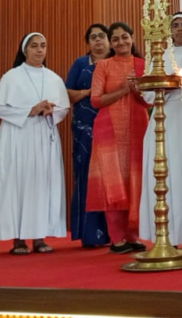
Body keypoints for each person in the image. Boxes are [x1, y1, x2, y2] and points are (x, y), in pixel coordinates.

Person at [0, 33, 70, 255]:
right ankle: (18, 240)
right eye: (34, 46)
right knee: (18, 183)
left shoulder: (53, 78)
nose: (39, 50)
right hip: (18, 137)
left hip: (44, 135)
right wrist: (30, 110)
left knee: (41, 184)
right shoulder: (11, 77)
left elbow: (64, 107)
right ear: (24, 50)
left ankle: (39, 238)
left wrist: (51, 111)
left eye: (43, 45)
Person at [138, 12, 182, 246]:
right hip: (164, 118)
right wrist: (165, 87)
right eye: (175, 25)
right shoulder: (161, 56)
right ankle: (168, 235)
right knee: (167, 173)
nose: (180, 29)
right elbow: (147, 95)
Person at [88, 22, 151, 254]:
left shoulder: (143, 65)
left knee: (136, 180)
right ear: (110, 43)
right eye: (115, 39)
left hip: (138, 128)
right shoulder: (103, 66)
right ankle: (117, 239)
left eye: (125, 37)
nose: (121, 42)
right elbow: (96, 100)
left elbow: (150, 101)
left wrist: (137, 91)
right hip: (109, 130)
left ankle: (133, 235)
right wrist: (124, 89)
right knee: (113, 181)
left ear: (132, 38)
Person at [64, 23, 112, 247]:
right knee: (86, 176)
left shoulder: (116, 63)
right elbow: (67, 94)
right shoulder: (81, 64)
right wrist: (89, 92)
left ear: (109, 41)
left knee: (110, 178)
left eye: (102, 36)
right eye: (93, 37)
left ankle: (115, 234)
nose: (98, 40)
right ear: (88, 43)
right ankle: (89, 234)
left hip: (112, 126)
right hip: (85, 128)